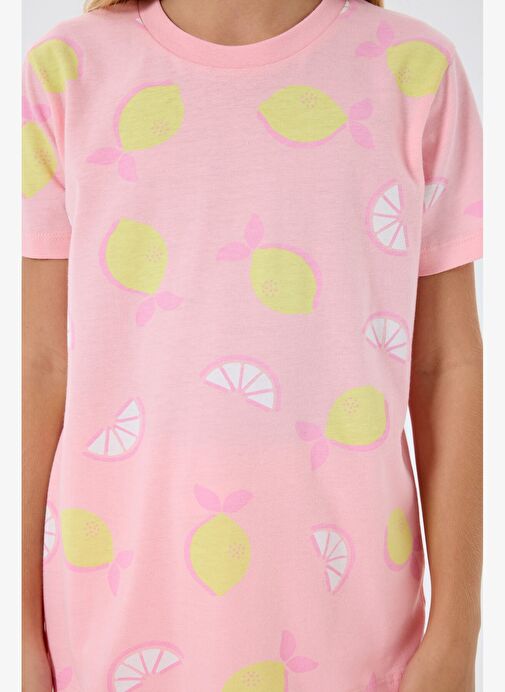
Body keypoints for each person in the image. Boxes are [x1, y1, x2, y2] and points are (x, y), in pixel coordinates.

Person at [22, 0, 483, 690]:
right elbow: (39, 366)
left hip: (351, 628)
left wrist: (456, 636)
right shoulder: (66, 71)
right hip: (108, 623)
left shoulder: (415, 70)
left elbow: (446, 365)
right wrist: (17, 631)